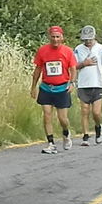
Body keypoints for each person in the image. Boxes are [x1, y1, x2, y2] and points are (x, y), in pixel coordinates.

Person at [30, 26, 77, 154]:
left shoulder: (67, 51)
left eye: (58, 37)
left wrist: (72, 83)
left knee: (63, 119)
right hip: (46, 87)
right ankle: (51, 143)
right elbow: (38, 69)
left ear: (62, 38)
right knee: (47, 115)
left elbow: (73, 69)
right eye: (53, 37)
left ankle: (66, 134)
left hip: (62, 88)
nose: (55, 40)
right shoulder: (43, 51)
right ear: (49, 37)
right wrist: (33, 87)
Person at [74, 25, 102, 146]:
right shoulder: (78, 49)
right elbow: (73, 66)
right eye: (85, 40)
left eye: (89, 39)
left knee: (96, 112)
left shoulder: (100, 48)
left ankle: (98, 127)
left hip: (98, 83)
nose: (87, 42)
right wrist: (84, 63)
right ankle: (86, 135)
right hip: (83, 84)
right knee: (84, 110)